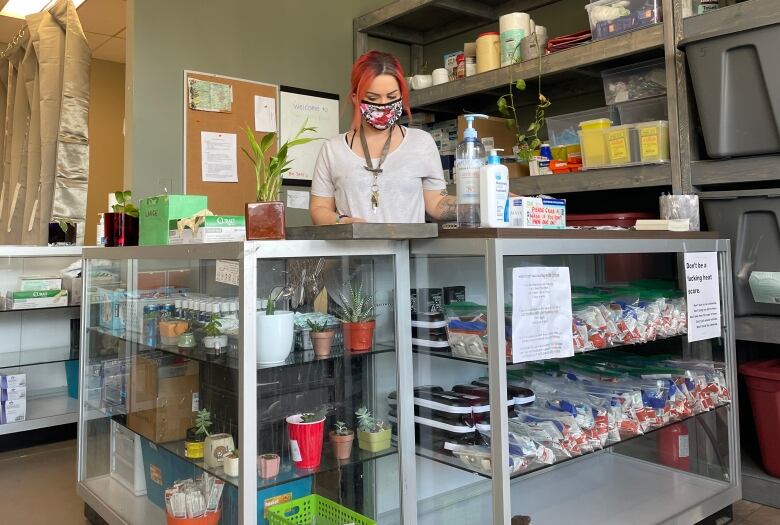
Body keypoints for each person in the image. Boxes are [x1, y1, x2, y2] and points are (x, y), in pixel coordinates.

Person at [310, 51, 457, 224]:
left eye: (392, 97)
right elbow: (319, 209)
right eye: (373, 98)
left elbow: (436, 202)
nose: (383, 104)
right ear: (356, 98)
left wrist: (471, 206)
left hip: (406, 250)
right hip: (352, 250)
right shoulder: (332, 149)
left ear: (402, 95)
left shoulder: (422, 143)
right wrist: (344, 223)